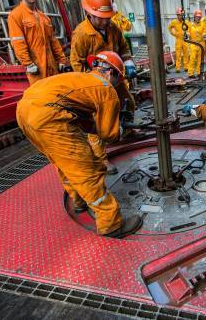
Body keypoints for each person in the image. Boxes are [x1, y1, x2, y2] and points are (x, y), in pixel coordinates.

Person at [16, 51, 143, 239]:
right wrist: (121, 129)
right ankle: (111, 224)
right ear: (112, 74)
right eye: (119, 79)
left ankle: (79, 200)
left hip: (24, 112)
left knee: (65, 163)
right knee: (86, 170)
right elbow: (109, 135)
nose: (118, 84)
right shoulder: (106, 89)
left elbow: (84, 122)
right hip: (49, 118)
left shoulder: (80, 80)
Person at [70, 0, 137, 175]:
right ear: (90, 14)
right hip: (96, 86)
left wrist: (129, 62)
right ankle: (101, 159)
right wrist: (89, 84)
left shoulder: (113, 28)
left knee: (129, 103)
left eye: (108, 16)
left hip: (115, 78)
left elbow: (123, 48)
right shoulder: (81, 34)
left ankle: (128, 131)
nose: (107, 20)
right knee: (97, 122)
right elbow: (76, 62)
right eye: (103, 17)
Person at [7, 0, 67, 85]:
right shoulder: (15, 16)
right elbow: (18, 42)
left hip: (51, 66)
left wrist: (61, 59)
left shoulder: (43, 17)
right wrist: (28, 64)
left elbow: (53, 41)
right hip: (36, 68)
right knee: (41, 97)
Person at [167, 7, 190, 73]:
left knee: (186, 54)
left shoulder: (186, 22)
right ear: (177, 15)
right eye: (178, 15)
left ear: (182, 15)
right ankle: (178, 68)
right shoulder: (174, 22)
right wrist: (173, 33)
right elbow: (169, 28)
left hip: (185, 40)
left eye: (180, 15)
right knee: (178, 54)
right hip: (178, 40)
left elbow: (190, 28)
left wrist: (188, 33)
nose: (180, 16)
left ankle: (186, 67)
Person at [187, 9, 205, 78]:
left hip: (200, 44)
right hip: (193, 43)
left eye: (199, 17)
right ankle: (190, 73)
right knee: (192, 59)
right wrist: (187, 34)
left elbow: (204, 32)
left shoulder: (202, 24)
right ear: (194, 17)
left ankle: (198, 72)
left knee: (200, 60)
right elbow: (188, 32)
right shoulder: (190, 24)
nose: (198, 18)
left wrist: (204, 35)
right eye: (197, 17)